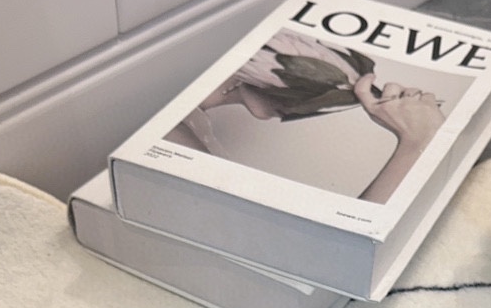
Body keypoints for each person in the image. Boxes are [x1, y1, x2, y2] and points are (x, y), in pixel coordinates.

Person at [164, 31, 445, 204]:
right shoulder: (174, 133)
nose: (313, 109)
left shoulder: (193, 123)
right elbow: (328, 257)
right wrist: (416, 144)